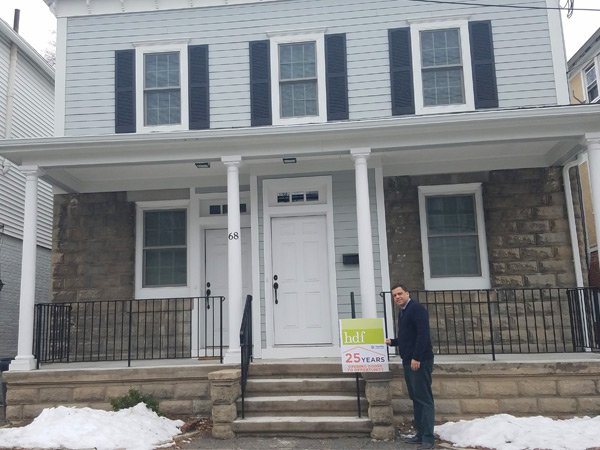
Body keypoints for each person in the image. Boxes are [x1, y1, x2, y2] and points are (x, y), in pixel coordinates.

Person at [385, 284, 435, 449]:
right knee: (416, 398)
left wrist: (416, 357)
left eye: (400, 294)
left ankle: (428, 438)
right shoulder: (403, 311)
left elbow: (423, 334)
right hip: (408, 360)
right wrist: (392, 342)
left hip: (418, 361)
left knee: (424, 398)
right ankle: (420, 434)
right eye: (394, 295)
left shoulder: (416, 309)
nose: (397, 297)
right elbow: (408, 337)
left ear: (407, 293)